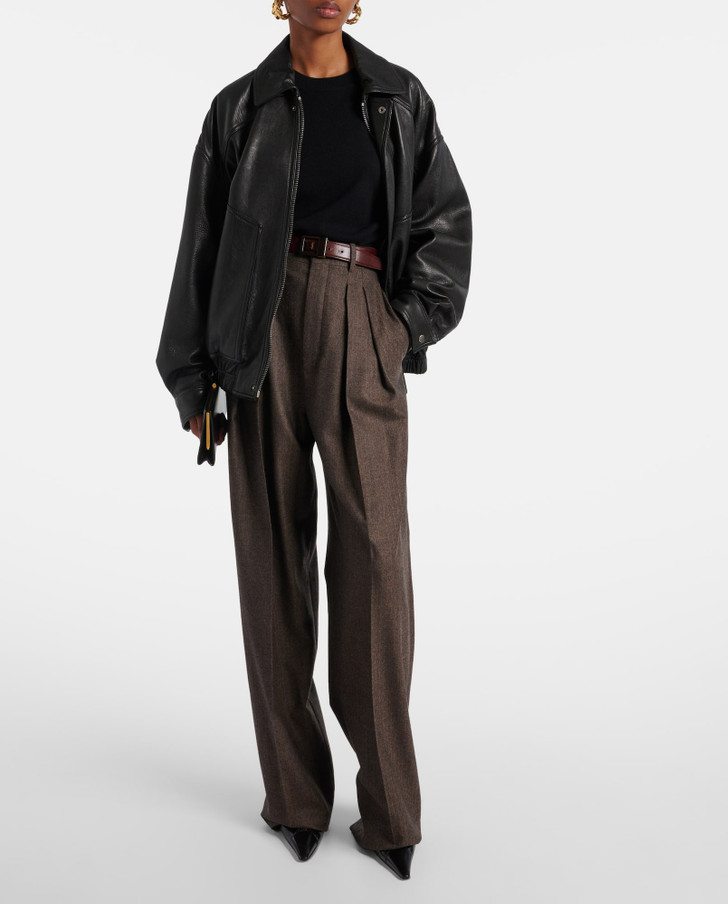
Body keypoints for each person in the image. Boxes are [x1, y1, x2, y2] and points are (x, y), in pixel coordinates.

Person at [155, 0, 472, 881]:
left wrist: (400, 328)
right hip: (257, 335)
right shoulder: (241, 107)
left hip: (363, 317)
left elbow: (445, 227)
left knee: (375, 562)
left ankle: (391, 812)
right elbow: (201, 244)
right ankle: (295, 799)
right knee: (271, 563)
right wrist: (192, 375)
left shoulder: (399, 98)